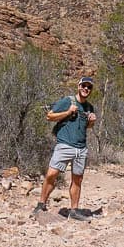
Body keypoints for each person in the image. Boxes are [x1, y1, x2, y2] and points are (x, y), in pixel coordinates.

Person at [32, 76, 98, 220]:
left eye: (89, 87)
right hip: (64, 145)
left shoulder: (89, 107)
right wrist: (68, 112)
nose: (86, 89)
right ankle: (41, 204)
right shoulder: (67, 101)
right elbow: (49, 116)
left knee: (77, 180)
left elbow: (85, 127)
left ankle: (74, 211)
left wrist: (91, 123)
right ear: (78, 86)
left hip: (81, 149)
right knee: (51, 175)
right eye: (84, 86)